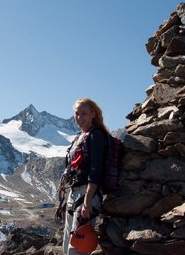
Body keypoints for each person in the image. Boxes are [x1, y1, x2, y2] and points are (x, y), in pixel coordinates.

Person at [61, 98, 108, 255]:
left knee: (78, 243)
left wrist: (88, 201)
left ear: (93, 114)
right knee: (69, 236)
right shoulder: (79, 136)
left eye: (84, 113)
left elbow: (96, 170)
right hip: (74, 193)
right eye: (77, 113)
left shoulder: (96, 136)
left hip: (86, 194)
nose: (80, 117)